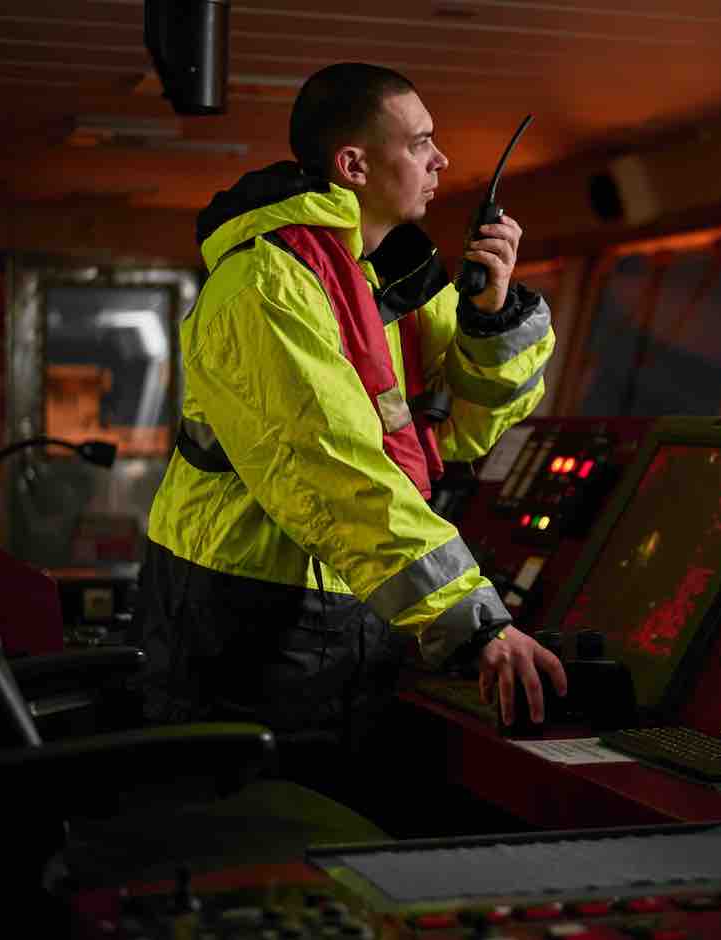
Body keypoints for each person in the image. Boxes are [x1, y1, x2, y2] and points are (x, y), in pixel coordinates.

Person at [132, 62, 566, 786]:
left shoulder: (390, 280)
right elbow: (331, 469)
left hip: (356, 604)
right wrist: (472, 618)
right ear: (354, 164)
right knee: (259, 848)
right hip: (248, 619)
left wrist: (491, 322)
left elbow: (460, 433)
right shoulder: (265, 284)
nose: (441, 160)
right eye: (421, 142)